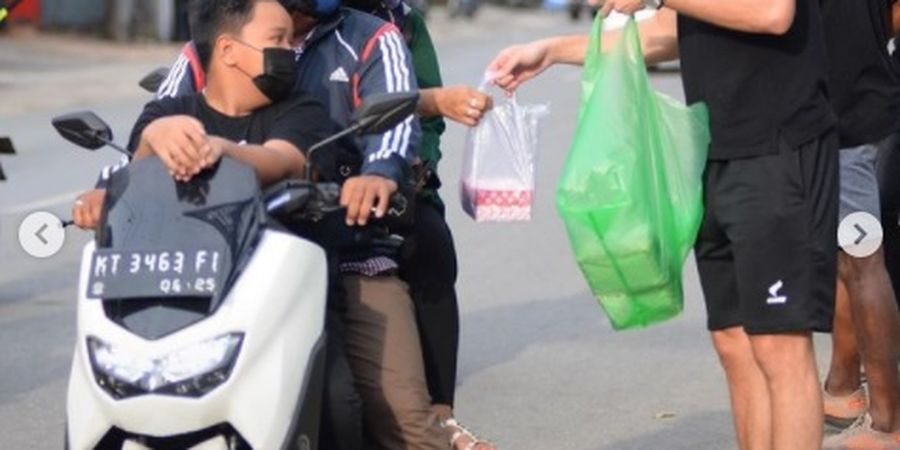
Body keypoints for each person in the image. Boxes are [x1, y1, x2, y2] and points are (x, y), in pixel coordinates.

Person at [488, 1, 838, 448]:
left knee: (779, 344)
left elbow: (771, 12)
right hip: (714, 149)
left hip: (778, 150)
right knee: (733, 341)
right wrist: (553, 49)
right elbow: (667, 30)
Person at [151, 1, 452, 448]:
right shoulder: (218, 39)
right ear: (229, 50)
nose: (283, 53)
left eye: (284, 43)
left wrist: (378, 172)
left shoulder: (365, 43)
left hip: (343, 250)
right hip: (219, 259)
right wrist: (113, 185)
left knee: (402, 416)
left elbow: (387, 128)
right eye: (273, 42)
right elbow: (151, 135)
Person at [340, 0, 496, 448]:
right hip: (328, 178)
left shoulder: (403, 23)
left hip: (396, 179)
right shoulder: (314, 28)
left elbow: (428, 113)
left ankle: (441, 413)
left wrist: (417, 170)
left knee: (431, 249)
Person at [819, 0, 900, 447]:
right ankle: (843, 386)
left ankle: (889, 421)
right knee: (844, 257)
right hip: (849, 96)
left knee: (862, 261)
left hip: (845, 107)